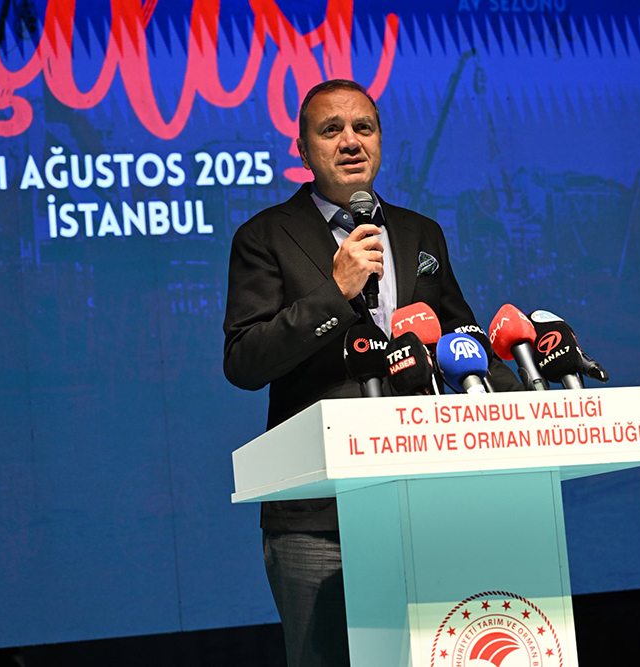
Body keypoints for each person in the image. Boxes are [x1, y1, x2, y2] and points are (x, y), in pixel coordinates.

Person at [223, 79, 521, 667]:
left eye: (364, 127)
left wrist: (521, 396)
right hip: (320, 515)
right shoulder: (265, 236)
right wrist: (335, 292)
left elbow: (460, 336)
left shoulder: (419, 232)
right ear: (303, 150)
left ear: (380, 140)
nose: (350, 141)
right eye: (330, 130)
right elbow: (245, 360)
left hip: (425, 496)